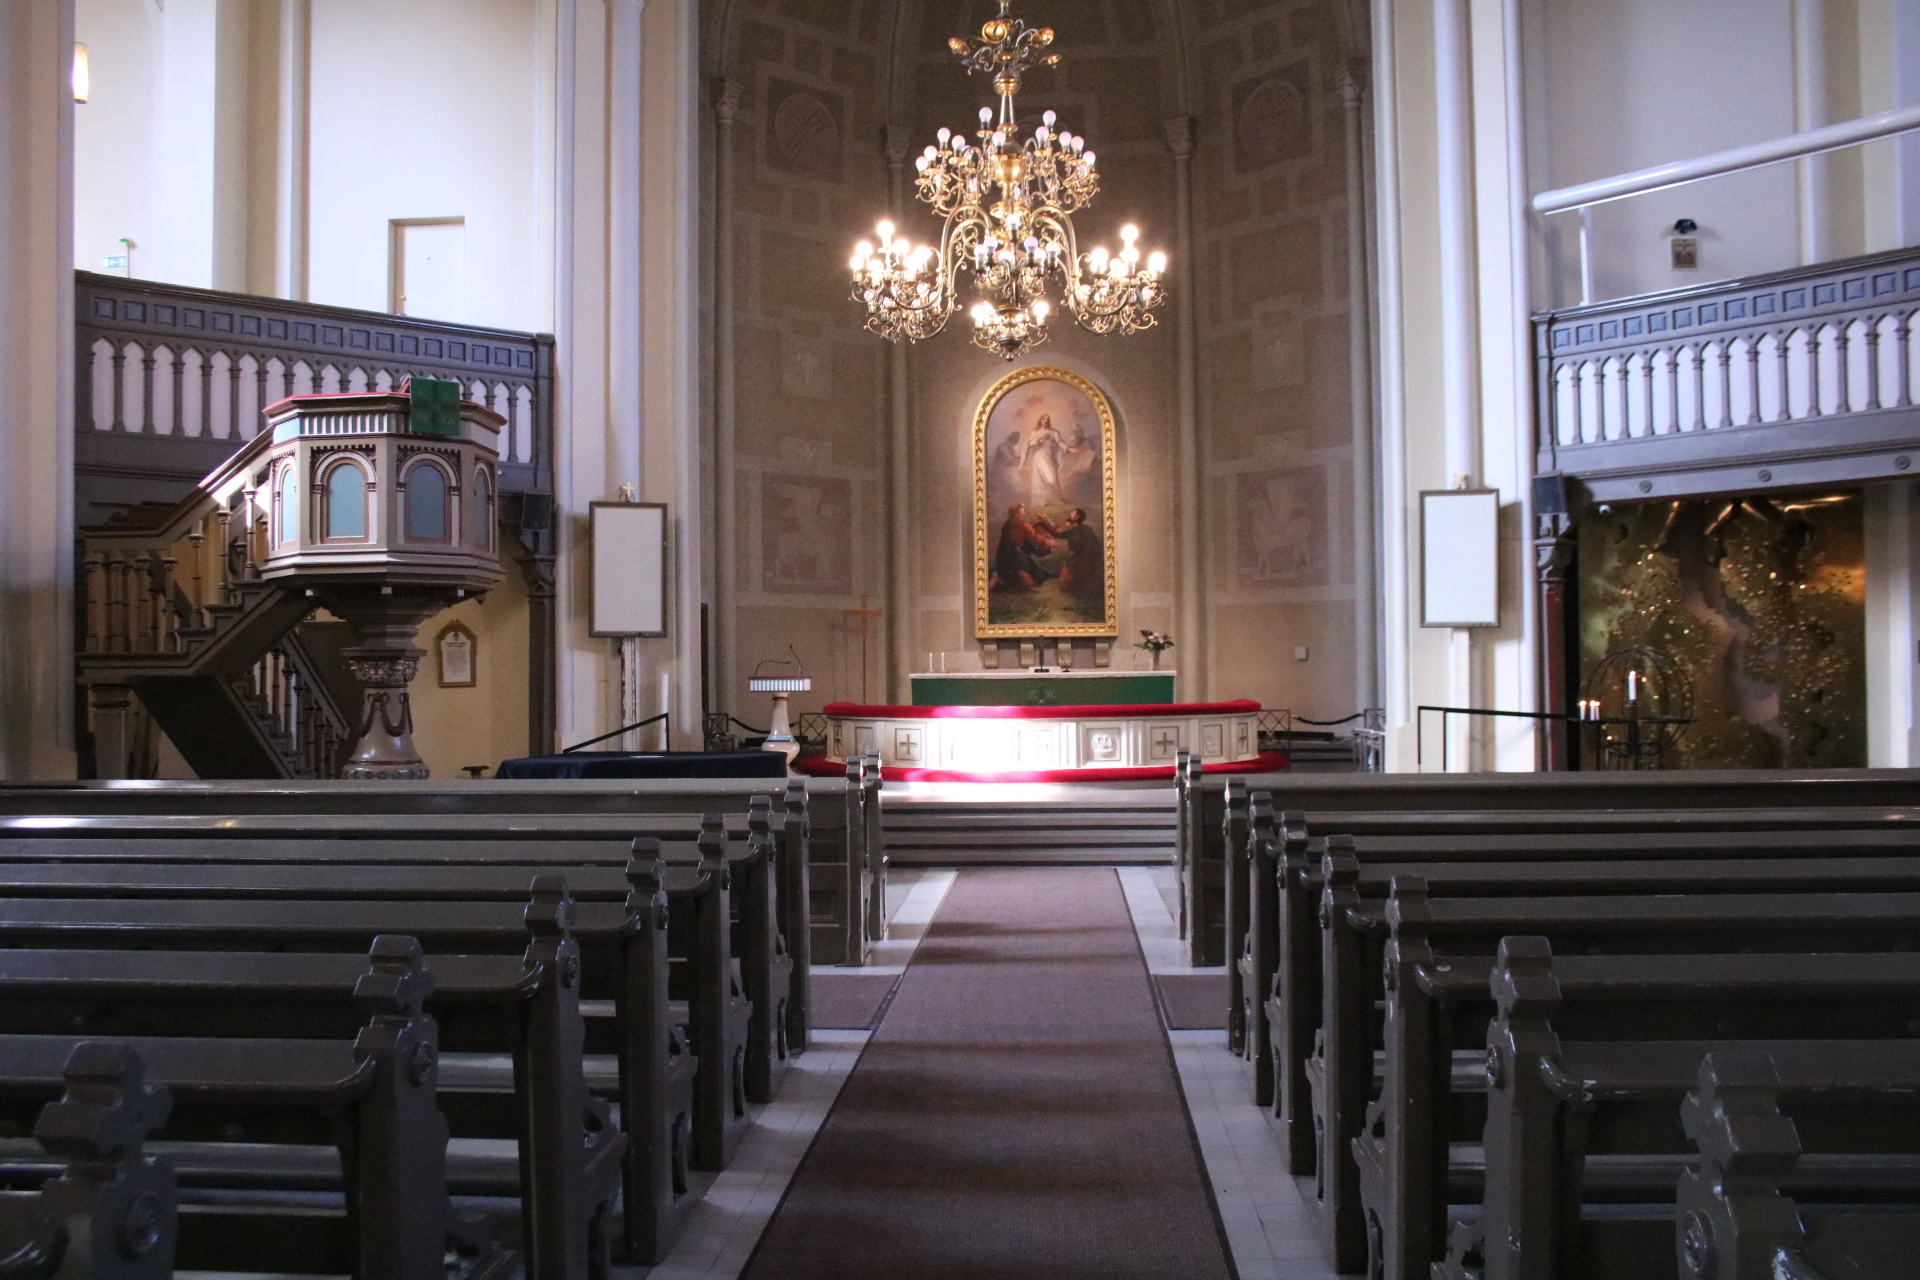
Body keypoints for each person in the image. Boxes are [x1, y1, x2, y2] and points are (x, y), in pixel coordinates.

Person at [990, 503, 1057, 592]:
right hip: (1013, 551)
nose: (1024, 509)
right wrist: (1048, 542)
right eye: (1022, 508)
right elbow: (1035, 538)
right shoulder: (1022, 525)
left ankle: (1000, 578)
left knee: (1030, 570)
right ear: (1016, 512)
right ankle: (1027, 585)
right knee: (1021, 568)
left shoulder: (1009, 523)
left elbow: (1034, 544)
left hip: (1006, 551)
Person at [1056, 507, 1103, 600]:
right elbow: (1097, 546)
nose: (1070, 514)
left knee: (1065, 585)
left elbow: (1058, 534)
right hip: (1087, 559)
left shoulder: (1074, 529)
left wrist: (1046, 521)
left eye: (1073, 513)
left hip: (1078, 560)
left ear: (1077, 517)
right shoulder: (1087, 529)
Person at [1022, 414, 1065, 504]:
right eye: (1044, 419)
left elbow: (1060, 442)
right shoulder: (1035, 433)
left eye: (1047, 419)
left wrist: (1068, 448)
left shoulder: (1054, 432)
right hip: (1038, 456)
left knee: (1051, 479)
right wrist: (1039, 438)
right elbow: (1029, 444)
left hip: (1049, 456)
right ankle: (1042, 502)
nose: (1045, 421)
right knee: (1039, 481)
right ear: (1040, 420)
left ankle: (1054, 499)